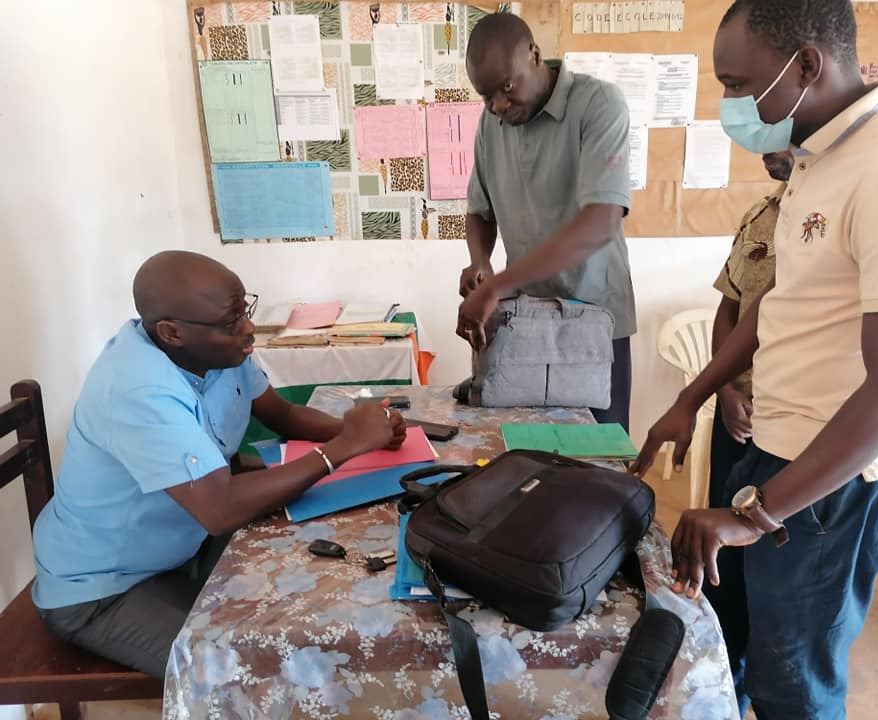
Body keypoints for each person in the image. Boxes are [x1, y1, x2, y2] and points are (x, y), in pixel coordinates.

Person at [630, 1, 878, 718]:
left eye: (738, 84)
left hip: (843, 481)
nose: (731, 106)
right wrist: (691, 397)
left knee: (794, 682)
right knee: (735, 643)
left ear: (806, 65)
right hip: (779, 451)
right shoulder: (816, 162)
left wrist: (754, 517)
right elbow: (776, 305)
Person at [30, 251, 406, 679]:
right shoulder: (136, 388)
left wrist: (357, 430)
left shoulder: (216, 353)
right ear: (171, 332)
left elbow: (283, 415)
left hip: (183, 547)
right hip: (103, 590)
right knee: (244, 673)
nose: (248, 329)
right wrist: (346, 445)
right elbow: (220, 508)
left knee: (318, 592)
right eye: (231, 322)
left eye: (245, 310)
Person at [457, 13, 636, 430]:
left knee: (596, 454)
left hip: (593, 321)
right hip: (524, 322)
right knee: (524, 450)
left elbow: (601, 222)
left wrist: (497, 286)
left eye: (506, 88)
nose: (499, 106)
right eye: (486, 97)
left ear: (535, 55)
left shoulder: (599, 104)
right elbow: (480, 210)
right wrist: (481, 262)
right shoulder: (492, 124)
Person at [707, 150, 792, 716]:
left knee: (780, 583)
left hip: (794, 431)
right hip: (737, 422)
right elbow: (730, 310)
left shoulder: (839, 212)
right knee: (726, 570)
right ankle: (726, 691)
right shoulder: (759, 214)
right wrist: (723, 391)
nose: (763, 145)